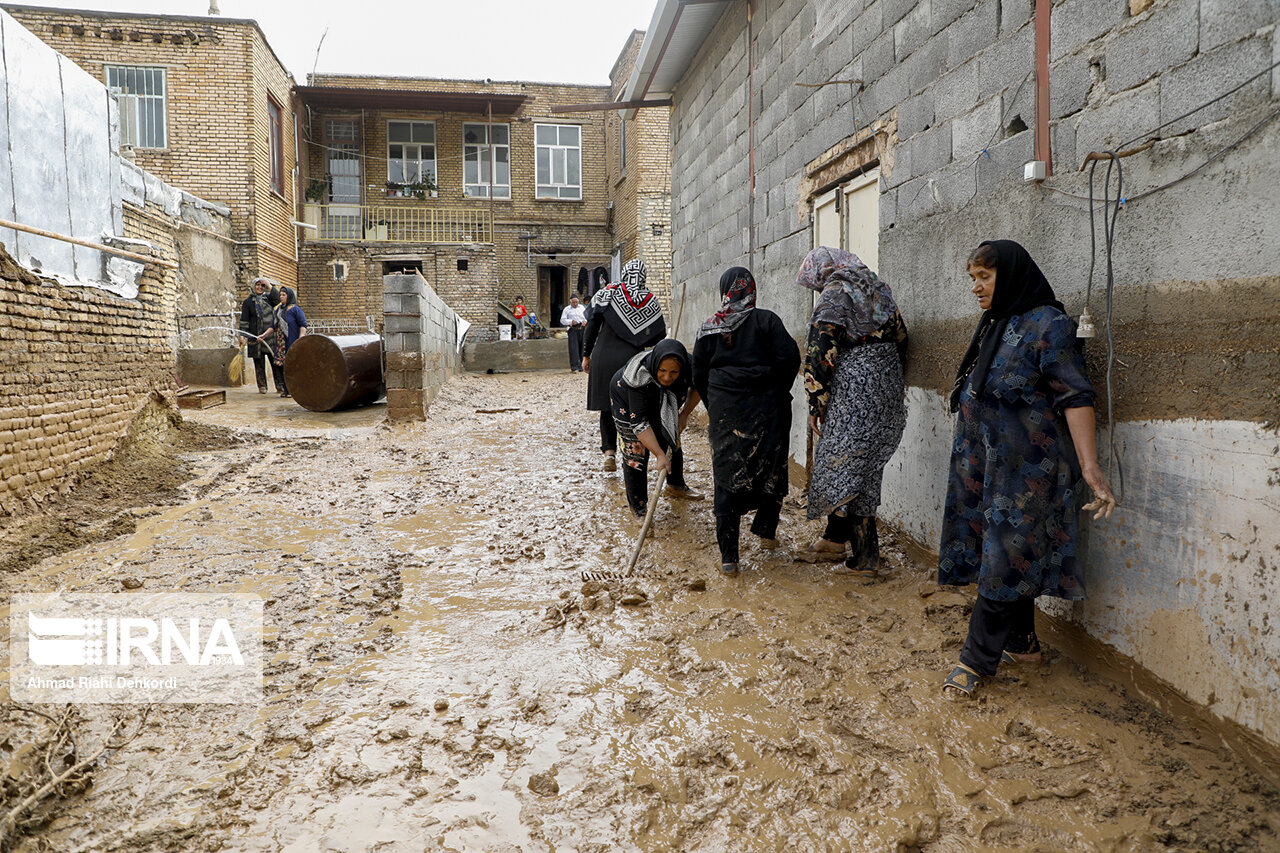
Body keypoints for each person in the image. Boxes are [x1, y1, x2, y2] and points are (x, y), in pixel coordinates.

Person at [938, 240, 1117, 698]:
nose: (976, 288)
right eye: (972, 278)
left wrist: (1090, 465)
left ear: (1010, 276)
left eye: (984, 277)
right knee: (999, 551)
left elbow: (1075, 396)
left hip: (1027, 473)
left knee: (1004, 556)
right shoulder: (996, 322)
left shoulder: (1050, 326)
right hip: (986, 463)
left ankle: (975, 661)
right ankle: (1024, 644)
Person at [798, 247, 908, 576]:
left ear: (822, 273)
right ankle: (835, 539)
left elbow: (820, 349)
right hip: (886, 386)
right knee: (863, 464)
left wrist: (816, 401)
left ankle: (865, 560)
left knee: (847, 467)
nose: (818, 289)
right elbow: (902, 336)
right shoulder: (875, 288)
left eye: (816, 284)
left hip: (854, 391)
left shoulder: (834, 295)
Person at [693, 266, 800, 575]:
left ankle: (729, 558)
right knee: (771, 465)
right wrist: (775, 390)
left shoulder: (709, 328)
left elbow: (699, 372)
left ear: (724, 290)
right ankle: (766, 533)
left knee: (727, 473)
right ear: (752, 289)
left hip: (728, 411)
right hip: (770, 409)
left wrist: (716, 404)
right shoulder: (767, 321)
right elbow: (790, 359)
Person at [583, 259, 666, 471]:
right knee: (632, 408)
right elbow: (658, 336)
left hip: (603, 358)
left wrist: (586, 355)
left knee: (605, 407)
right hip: (631, 362)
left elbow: (591, 326)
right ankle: (633, 453)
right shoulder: (648, 299)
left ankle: (609, 453)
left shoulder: (607, 293)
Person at [610, 339, 701, 520]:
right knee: (635, 451)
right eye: (662, 371)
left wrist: (683, 415)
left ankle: (675, 486)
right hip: (627, 402)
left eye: (674, 372)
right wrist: (659, 455)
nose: (667, 377)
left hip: (666, 398)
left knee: (671, 438)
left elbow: (698, 388)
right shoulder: (637, 377)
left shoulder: (691, 366)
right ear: (655, 366)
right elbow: (640, 424)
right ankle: (639, 508)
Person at [238, 277, 280, 395]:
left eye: (262, 286)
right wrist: (242, 336)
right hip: (255, 338)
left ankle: (280, 385)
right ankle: (262, 387)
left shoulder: (269, 299)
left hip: (270, 337)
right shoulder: (248, 302)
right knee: (259, 364)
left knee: (275, 362)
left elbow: (277, 299)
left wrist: (269, 285)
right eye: (258, 285)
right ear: (253, 286)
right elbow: (244, 320)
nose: (260, 288)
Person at [271, 286, 307, 397]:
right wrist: (263, 335)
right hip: (280, 343)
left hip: (292, 341)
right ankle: (286, 390)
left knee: (292, 366)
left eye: (283, 295)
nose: (281, 297)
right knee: (281, 366)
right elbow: (273, 326)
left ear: (289, 296)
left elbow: (303, 325)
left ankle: (294, 390)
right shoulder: (278, 310)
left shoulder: (296, 310)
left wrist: (301, 338)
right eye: (280, 295)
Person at [561, 294, 587, 372]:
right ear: (571, 302)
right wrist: (571, 321)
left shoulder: (582, 308)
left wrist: (585, 322)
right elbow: (562, 320)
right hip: (573, 329)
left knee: (582, 347)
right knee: (573, 348)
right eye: (573, 302)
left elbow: (587, 316)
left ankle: (581, 366)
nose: (575, 304)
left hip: (582, 328)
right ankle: (574, 367)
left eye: (576, 302)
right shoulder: (567, 309)